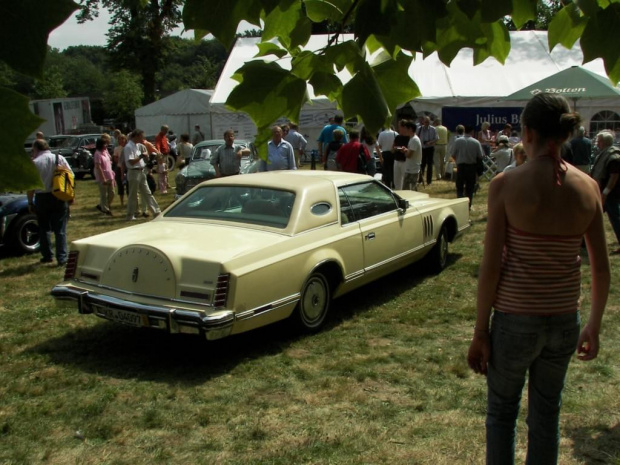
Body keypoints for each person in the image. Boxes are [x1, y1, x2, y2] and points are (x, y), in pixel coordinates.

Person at [467, 93, 610, 465]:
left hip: (515, 320)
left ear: (526, 132)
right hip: (564, 320)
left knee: (501, 413)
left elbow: (491, 266)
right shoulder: (589, 188)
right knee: (546, 416)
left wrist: (481, 331)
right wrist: (593, 326)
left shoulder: (505, 185)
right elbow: (600, 267)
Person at [27, 139, 73, 266]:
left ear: (36, 149)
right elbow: (70, 176)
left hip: (41, 197)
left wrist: (30, 202)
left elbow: (30, 186)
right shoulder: (59, 158)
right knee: (60, 229)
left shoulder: (34, 163)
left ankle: (47, 255)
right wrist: (70, 196)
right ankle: (62, 257)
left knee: (44, 228)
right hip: (58, 195)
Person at [591, 130, 620, 253]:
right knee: (592, 217)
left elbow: (614, 176)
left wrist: (605, 193)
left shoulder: (613, 157)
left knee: (616, 219)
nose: (597, 143)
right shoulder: (604, 154)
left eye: (599, 141)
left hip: (610, 194)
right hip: (603, 193)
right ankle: (584, 243)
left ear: (604, 142)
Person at [123, 129, 161, 221]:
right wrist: (141, 156)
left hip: (141, 171)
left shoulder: (138, 146)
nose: (143, 138)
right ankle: (130, 215)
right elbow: (131, 162)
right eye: (141, 136)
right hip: (133, 172)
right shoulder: (128, 147)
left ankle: (156, 211)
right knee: (133, 194)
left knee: (147, 192)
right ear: (136, 136)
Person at [452, 125, 483, 209]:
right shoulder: (476, 142)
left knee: (459, 187)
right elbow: (480, 156)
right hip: (471, 167)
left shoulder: (457, 141)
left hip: (461, 166)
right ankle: (468, 206)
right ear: (472, 132)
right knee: (470, 188)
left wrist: (458, 160)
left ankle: (460, 204)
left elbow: (453, 154)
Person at [94, 137, 115, 215]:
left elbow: (110, 162)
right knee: (104, 194)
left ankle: (103, 206)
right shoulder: (97, 153)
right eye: (104, 144)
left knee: (112, 193)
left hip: (110, 175)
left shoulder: (105, 152)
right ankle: (105, 209)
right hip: (103, 176)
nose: (106, 145)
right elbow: (98, 166)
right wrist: (103, 178)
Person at [418, 116, 439, 185]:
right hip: (422, 148)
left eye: (428, 122)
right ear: (423, 122)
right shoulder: (419, 129)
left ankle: (429, 181)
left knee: (430, 165)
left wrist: (430, 142)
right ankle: (420, 180)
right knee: (422, 164)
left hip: (430, 148)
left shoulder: (433, 129)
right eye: (426, 122)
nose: (427, 123)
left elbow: (436, 138)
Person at [403, 121, 422, 190]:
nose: (404, 130)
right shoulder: (412, 139)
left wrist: (404, 151)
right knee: (407, 189)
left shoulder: (414, 140)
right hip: (410, 168)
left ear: (410, 129)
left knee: (410, 190)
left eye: (406, 128)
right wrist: (406, 150)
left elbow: (409, 155)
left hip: (412, 169)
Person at [392, 120, 412, 189]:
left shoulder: (409, 138)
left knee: (405, 180)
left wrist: (404, 150)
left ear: (403, 127)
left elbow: (411, 150)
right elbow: (392, 148)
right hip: (397, 160)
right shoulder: (397, 137)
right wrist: (395, 148)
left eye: (399, 126)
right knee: (396, 181)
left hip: (405, 161)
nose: (398, 128)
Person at [113, 133, 127, 207]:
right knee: (120, 185)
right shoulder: (117, 149)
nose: (121, 140)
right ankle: (122, 202)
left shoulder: (128, 147)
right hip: (119, 167)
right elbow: (115, 158)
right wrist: (120, 160)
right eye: (119, 139)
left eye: (122, 139)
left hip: (127, 168)